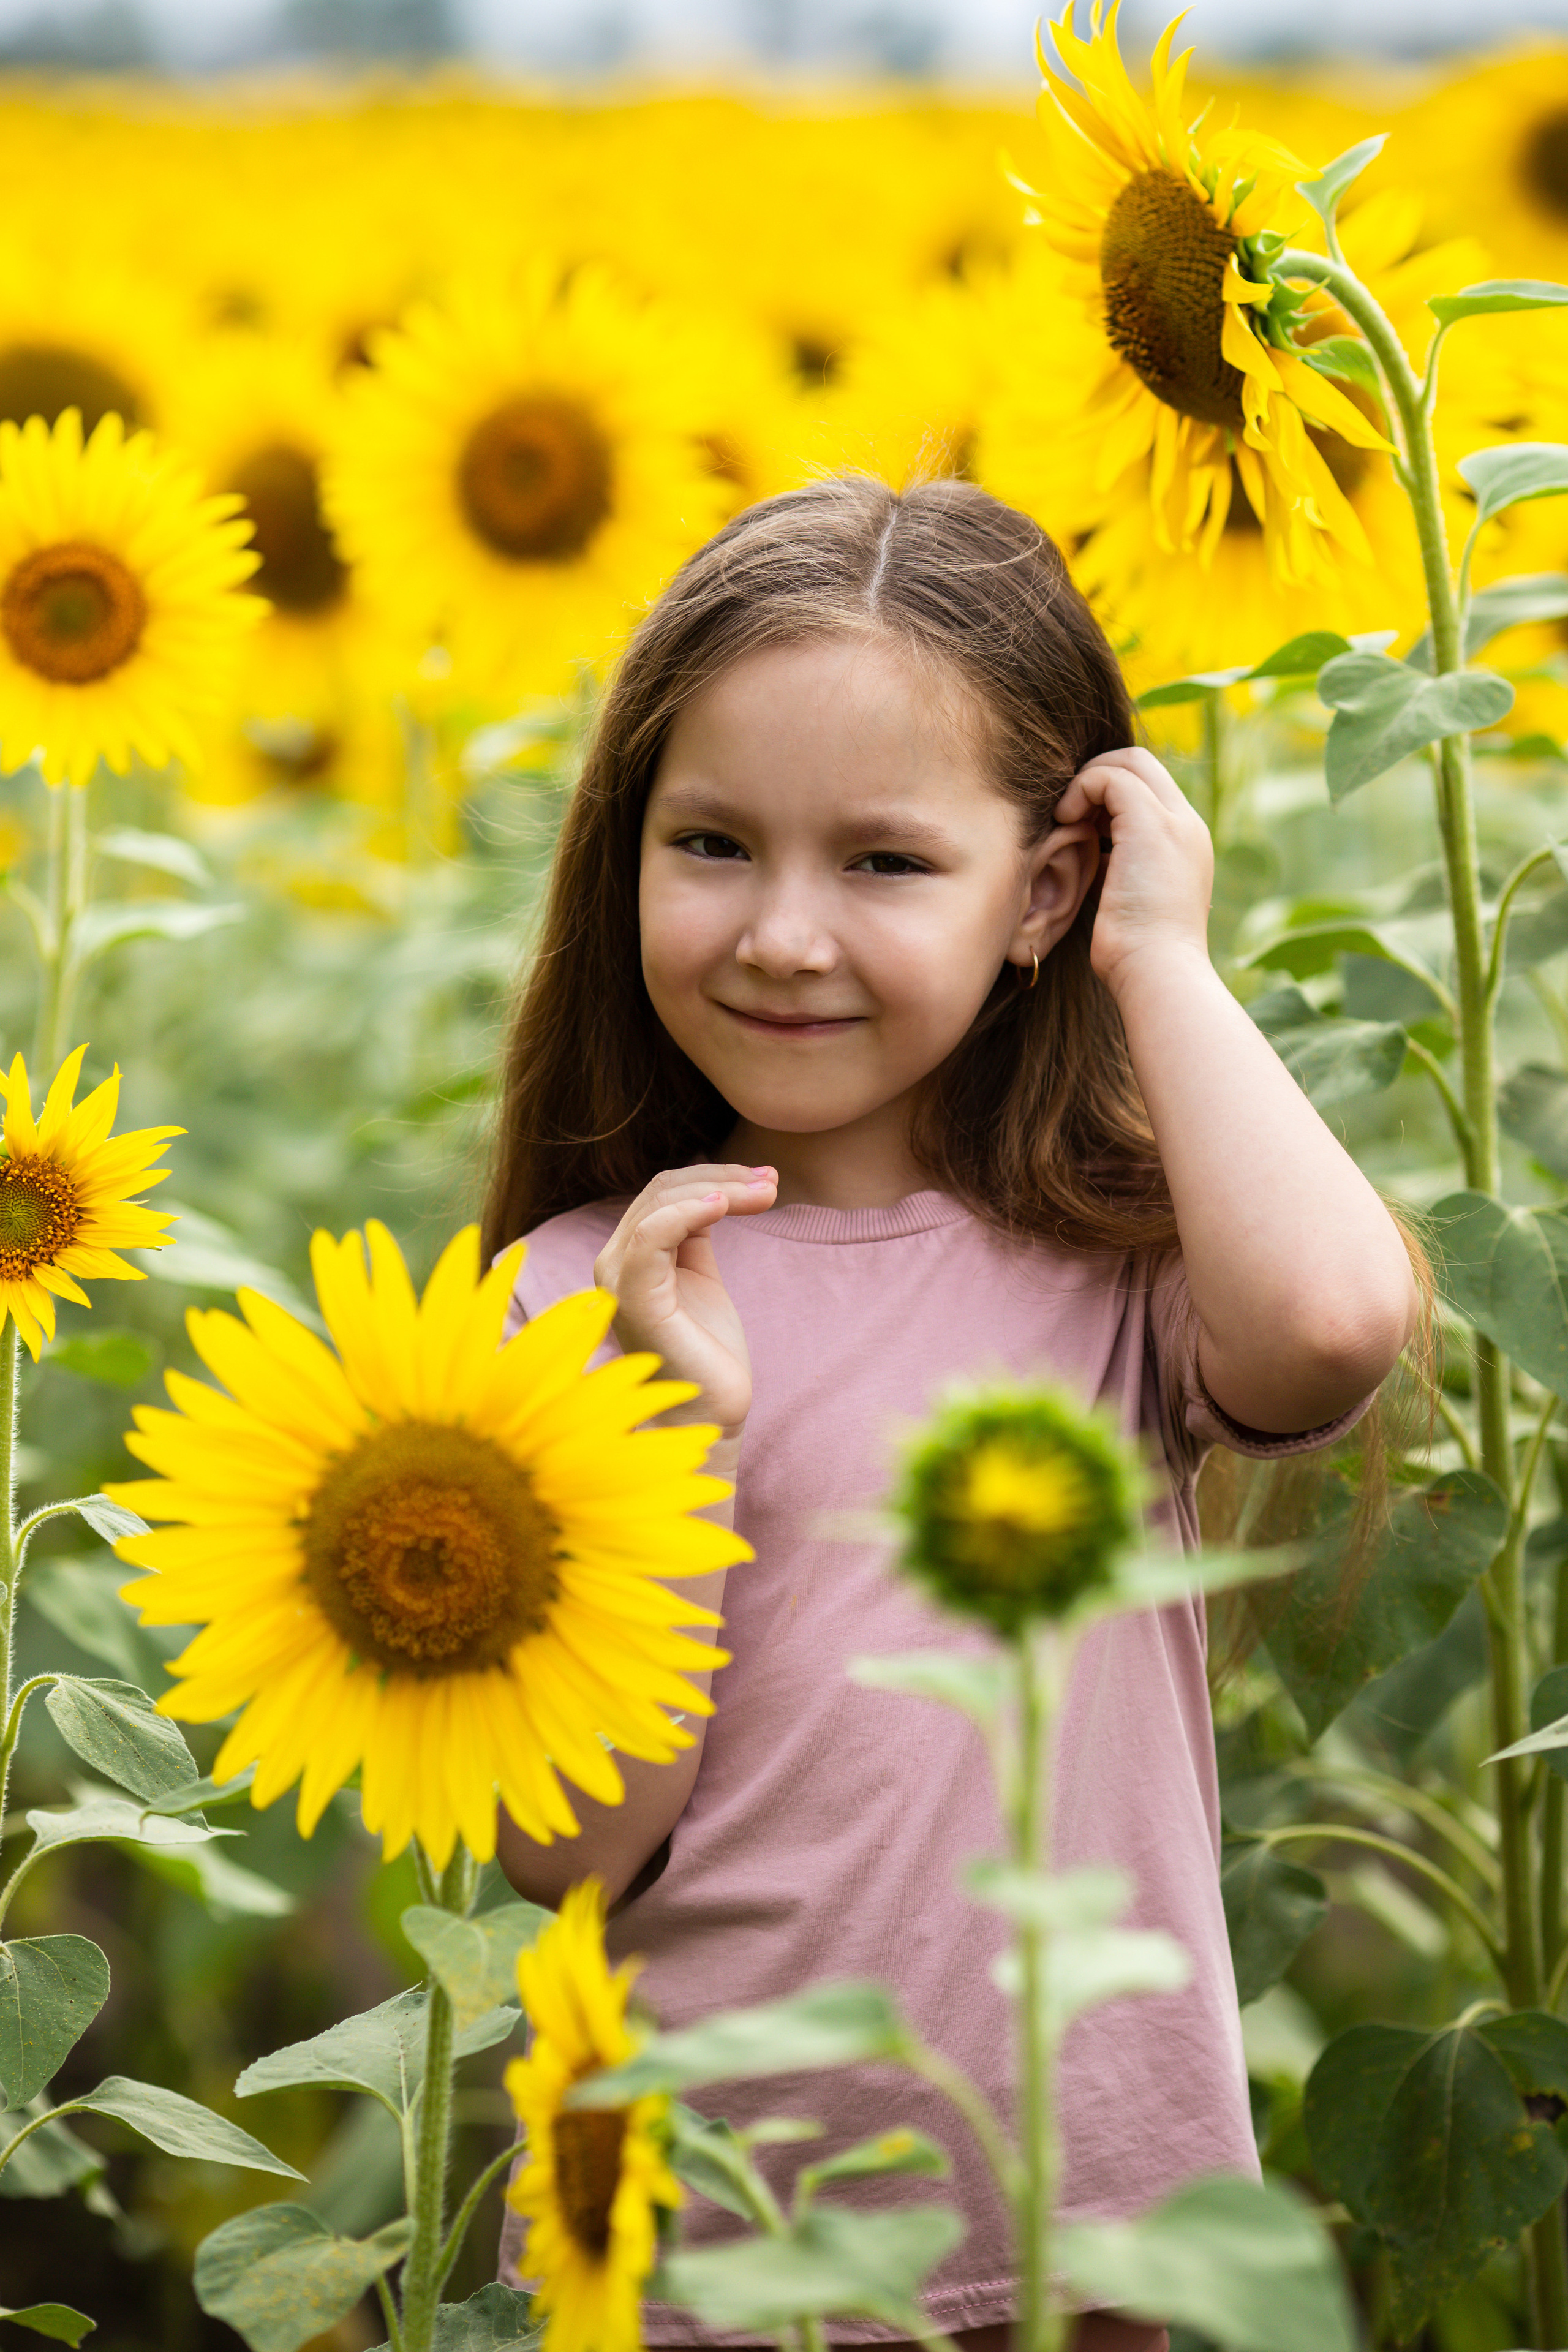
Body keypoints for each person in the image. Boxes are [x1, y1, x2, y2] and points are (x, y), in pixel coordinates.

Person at [489, 475, 1421, 2352]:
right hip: (709, 2247)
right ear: (629, 851)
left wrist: (1160, 956)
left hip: (1089, 2229)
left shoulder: (1111, 1265)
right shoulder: (578, 1296)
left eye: (887, 863)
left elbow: (1332, 1324)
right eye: (715, 845)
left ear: (1043, 892)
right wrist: (674, 1444)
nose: (782, 934)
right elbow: (569, 1854)